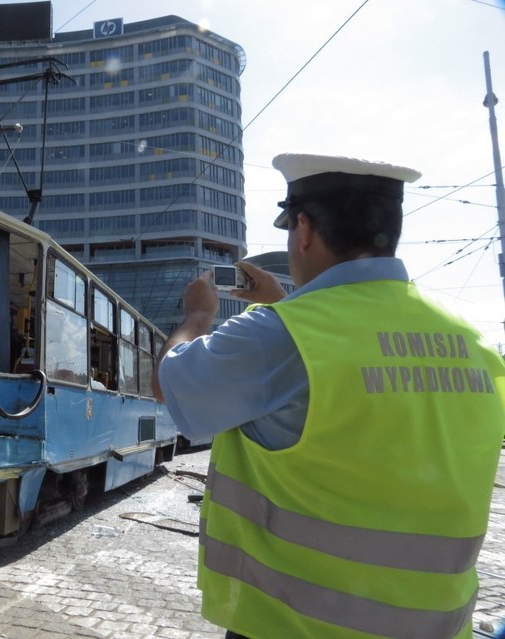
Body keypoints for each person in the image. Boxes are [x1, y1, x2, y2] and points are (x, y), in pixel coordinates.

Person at [151, 153, 505, 639]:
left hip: (299, 624)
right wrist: (286, 306)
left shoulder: (278, 335)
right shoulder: (476, 341)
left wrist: (197, 317)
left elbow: (171, 384)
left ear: (303, 229)